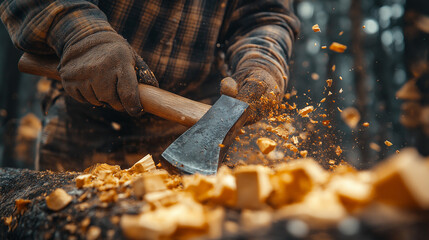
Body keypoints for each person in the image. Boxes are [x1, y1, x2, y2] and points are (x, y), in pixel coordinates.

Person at [0, 0, 299, 171]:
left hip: (183, 125)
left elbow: (264, 16)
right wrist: (82, 36)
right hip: (84, 119)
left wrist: (262, 65)